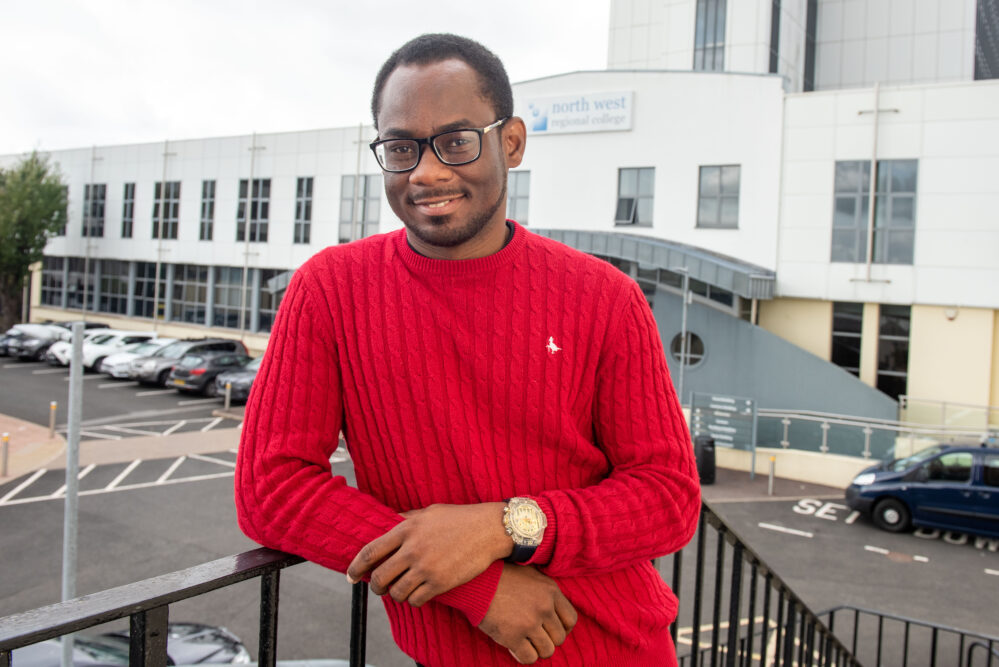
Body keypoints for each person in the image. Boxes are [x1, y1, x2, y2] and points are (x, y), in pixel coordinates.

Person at [235, 33, 700, 666]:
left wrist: (500, 528)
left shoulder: (604, 297)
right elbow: (272, 488)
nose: (426, 172)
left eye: (456, 141)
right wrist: (475, 585)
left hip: (617, 652)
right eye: (400, 147)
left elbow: (668, 497)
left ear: (510, 142)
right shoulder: (330, 290)